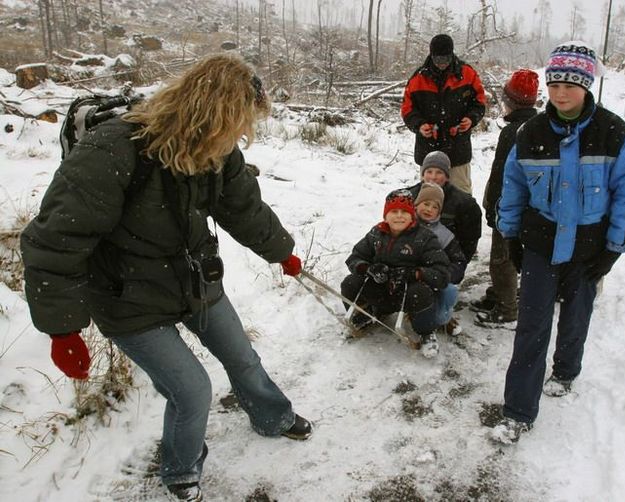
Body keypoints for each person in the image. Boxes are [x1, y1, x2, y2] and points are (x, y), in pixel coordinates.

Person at [20, 54, 312, 501]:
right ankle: (180, 469)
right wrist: (62, 329)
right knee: (192, 391)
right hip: (128, 299)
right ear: (213, 115)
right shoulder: (113, 149)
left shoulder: (218, 152)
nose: (241, 137)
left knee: (242, 357)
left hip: (194, 280)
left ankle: (272, 416)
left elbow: (244, 209)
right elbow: (58, 238)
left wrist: (283, 252)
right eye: (238, 125)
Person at [490, 42, 625, 444]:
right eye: (555, 83)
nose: (561, 93)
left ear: (587, 85)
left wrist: (614, 249)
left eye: (571, 85)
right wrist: (510, 237)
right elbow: (513, 189)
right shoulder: (531, 132)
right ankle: (518, 411)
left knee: (576, 315)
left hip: (589, 247)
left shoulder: (614, 133)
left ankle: (565, 370)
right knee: (531, 325)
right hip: (541, 243)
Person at [340, 189, 450, 358]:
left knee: (420, 292)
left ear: (412, 215)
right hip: (381, 288)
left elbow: (442, 273)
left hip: (408, 293)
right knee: (350, 283)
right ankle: (366, 315)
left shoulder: (424, 237)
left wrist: (414, 273)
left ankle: (426, 332)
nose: (399, 216)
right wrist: (368, 268)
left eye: (404, 212)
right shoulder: (376, 234)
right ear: (386, 214)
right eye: (394, 211)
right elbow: (355, 257)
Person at [471, 69, 539, 325]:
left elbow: (503, 176)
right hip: (523, 207)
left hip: (509, 208)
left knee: (502, 260)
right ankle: (498, 294)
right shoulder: (534, 126)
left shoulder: (513, 132)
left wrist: (494, 208)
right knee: (506, 257)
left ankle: (507, 307)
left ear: (509, 101)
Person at [401, 33, 487, 194]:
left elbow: (480, 102)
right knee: (429, 196)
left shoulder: (468, 74)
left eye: (446, 59)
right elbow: (407, 109)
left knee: (461, 194)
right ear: (431, 55)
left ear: (452, 54)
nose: (442, 64)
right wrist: (419, 125)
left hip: (458, 148)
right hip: (428, 149)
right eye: (438, 59)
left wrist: (471, 119)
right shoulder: (418, 78)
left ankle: (463, 221)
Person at [405, 150, 482, 263]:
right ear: (422, 175)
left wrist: (455, 268)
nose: (433, 177)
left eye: (439, 172)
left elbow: (469, 242)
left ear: (447, 177)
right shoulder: (407, 197)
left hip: (445, 261)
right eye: (429, 172)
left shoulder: (465, 204)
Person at [414, 182, 468, 341]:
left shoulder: (444, 234)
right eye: (426, 204)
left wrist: (444, 275)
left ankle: (442, 319)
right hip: (410, 274)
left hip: (434, 276)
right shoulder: (406, 224)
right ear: (417, 204)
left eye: (434, 207)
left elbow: (459, 260)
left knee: (449, 291)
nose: (429, 209)